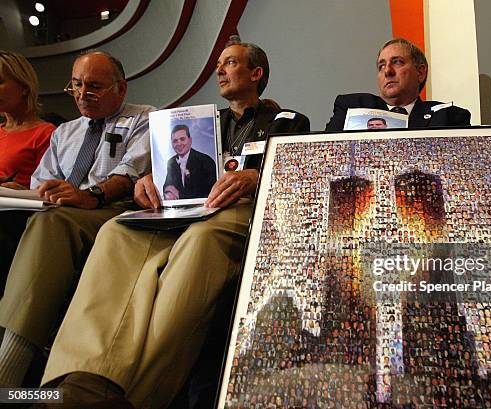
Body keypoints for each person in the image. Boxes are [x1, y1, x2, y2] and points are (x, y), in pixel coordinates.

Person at [37, 37, 309, 408]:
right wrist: (146, 179)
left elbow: (295, 170)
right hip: (182, 209)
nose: (219, 69)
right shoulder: (203, 123)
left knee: (199, 242)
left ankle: (132, 395)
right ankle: (77, 377)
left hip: (238, 209)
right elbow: (165, 171)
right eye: (219, 64)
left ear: (256, 73)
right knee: (117, 231)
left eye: (230, 62)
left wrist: (254, 176)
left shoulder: (284, 120)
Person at [0, 51, 154, 388]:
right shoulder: (64, 132)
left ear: (121, 88)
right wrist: (36, 191)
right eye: (77, 85)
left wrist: (90, 195)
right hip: (61, 209)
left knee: (52, 223)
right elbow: (42, 182)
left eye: (95, 87)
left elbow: (130, 173)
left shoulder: (144, 119)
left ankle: (9, 365)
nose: (83, 94)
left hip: (111, 210)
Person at [325, 38, 471, 131]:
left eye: (397, 62)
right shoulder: (350, 107)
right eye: (381, 66)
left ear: (420, 73)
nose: (387, 71)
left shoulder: (448, 117)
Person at [0, 50, 55, 293]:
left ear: (24, 87)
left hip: (18, 215)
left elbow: (50, 187)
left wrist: (20, 188)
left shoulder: (46, 133)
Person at [163, 124, 216, 200]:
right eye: (175, 141)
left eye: (182, 139)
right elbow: (167, 186)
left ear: (190, 140)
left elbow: (208, 193)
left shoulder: (206, 161)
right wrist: (168, 192)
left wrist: (179, 195)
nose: (179, 144)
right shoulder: (171, 162)